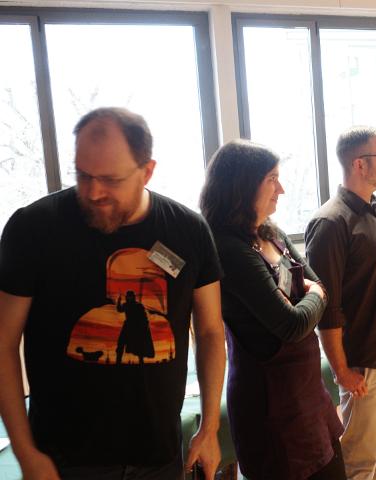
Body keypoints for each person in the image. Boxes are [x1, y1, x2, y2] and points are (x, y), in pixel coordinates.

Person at [0, 107, 226, 479]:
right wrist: (26, 453)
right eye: (82, 175)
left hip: (159, 456)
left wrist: (210, 427)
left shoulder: (188, 230)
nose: (93, 192)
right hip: (65, 462)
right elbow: (4, 342)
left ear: (147, 171)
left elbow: (211, 331)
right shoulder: (33, 228)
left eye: (110, 179)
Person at [199, 139, 344, 479]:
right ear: (243, 185)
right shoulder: (230, 249)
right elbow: (291, 324)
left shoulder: (269, 231)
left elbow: (318, 285)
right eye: (272, 179)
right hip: (271, 404)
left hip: (307, 393)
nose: (281, 189)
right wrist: (315, 295)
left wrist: (314, 294)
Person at [305, 126, 376, 480]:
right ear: (359, 164)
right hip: (365, 363)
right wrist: (341, 370)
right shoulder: (330, 222)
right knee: (360, 456)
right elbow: (328, 307)